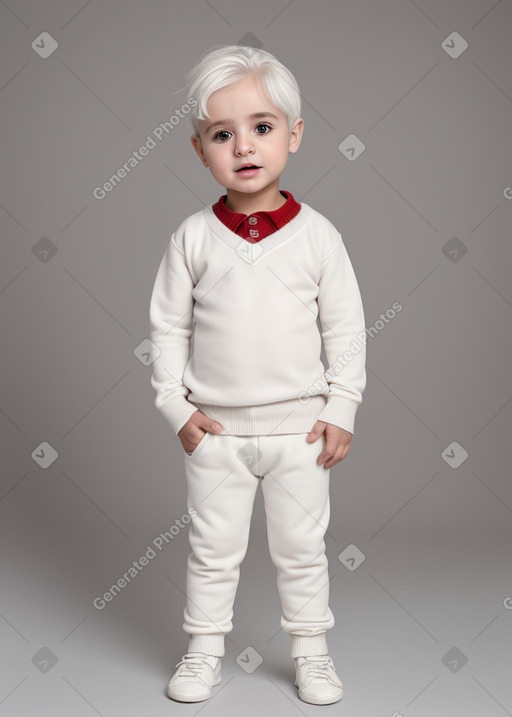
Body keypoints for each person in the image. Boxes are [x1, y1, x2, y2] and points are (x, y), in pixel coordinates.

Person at [149, 44, 367, 706]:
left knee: (302, 551)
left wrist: (342, 406)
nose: (244, 145)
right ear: (200, 149)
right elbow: (167, 328)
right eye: (223, 133)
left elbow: (346, 329)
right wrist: (176, 408)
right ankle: (203, 650)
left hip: (300, 431)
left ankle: (312, 652)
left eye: (263, 126)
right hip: (215, 431)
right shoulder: (191, 238)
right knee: (212, 550)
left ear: (294, 135)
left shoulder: (319, 238)